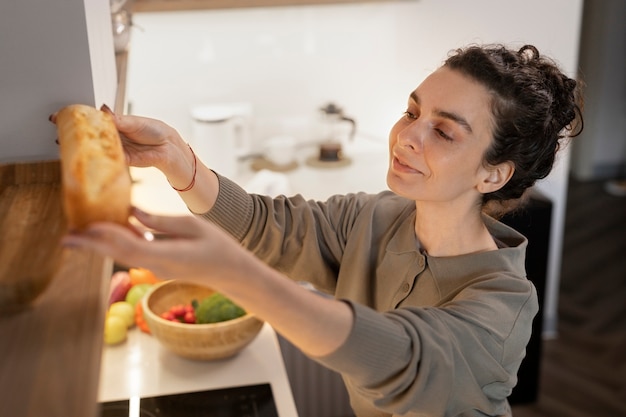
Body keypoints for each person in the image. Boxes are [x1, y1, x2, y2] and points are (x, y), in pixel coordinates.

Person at [59, 44, 583, 416]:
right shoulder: (374, 217)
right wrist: (177, 159)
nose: (406, 137)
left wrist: (238, 276)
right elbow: (272, 227)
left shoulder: (502, 301)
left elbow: (400, 356)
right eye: (411, 112)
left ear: (492, 173)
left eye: (443, 131)